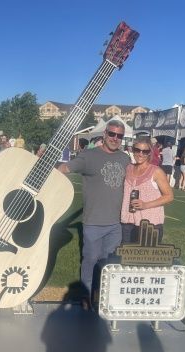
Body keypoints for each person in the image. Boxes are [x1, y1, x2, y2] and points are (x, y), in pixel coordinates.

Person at [58, 120, 130, 309]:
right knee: (90, 261)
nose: (115, 138)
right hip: (93, 222)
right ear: (105, 134)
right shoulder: (89, 156)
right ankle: (85, 296)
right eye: (112, 134)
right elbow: (65, 169)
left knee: (108, 264)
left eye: (119, 136)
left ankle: (103, 296)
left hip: (116, 223)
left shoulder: (125, 158)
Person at [121, 137, 173, 244]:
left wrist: (146, 205)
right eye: (137, 150)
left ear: (150, 153)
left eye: (145, 151)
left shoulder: (156, 171)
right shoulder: (128, 168)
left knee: (145, 259)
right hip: (127, 223)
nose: (141, 154)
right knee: (125, 259)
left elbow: (169, 196)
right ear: (132, 150)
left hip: (149, 224)